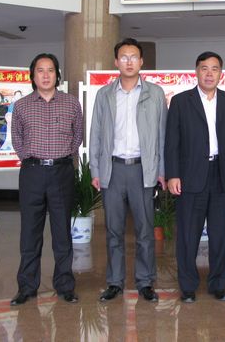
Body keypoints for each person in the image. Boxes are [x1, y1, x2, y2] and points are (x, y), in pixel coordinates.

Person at [90, 38, 167, 303]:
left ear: (141, 61)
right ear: (116, 62)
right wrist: (96, 170)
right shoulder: (104, 94)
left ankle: (145, 282)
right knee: (114, 230)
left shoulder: (155, 93)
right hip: (113, 169)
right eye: (124, 57)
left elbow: (162, 135)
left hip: (142, 169)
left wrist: (161, 170)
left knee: (145, 230)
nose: (129, 61)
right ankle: (115, 282)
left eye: (134, 57)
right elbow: (96, 134)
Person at [165, 51, 225, 303]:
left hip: (221, 174)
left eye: (214, 69)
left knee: (220, 235)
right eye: (204, 68)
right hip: (189, 176)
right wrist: (173, 174)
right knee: (188, 234)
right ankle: (187, 286)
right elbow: (172, 141)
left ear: (221, 74)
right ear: (196, 71)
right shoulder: (181, 102)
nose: (209, 73)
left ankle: (218, 285)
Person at [10, 53, 83, 306]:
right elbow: (17, 139)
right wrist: (32, 159)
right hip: (32, 173)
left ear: (57, 75)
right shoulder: (22, 106)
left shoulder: (71, 103)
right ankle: (27, 287)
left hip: (61, 172)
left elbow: (77, 137)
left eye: (50, 70)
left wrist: (60, 158)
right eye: (40, 70)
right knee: (30, 233)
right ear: (33, 76)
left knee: (62, 232)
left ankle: (65, 286)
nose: (45, 75)